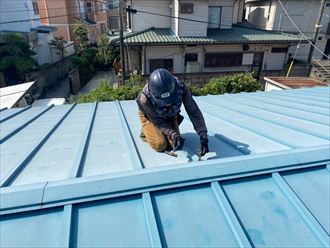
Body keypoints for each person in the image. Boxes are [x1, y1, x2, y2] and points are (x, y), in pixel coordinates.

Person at [136, 68, 209, 157]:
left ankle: (167, 127)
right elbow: (157, 121)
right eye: (164, 101)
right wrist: (173, 134)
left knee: (174, 144)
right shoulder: (144, 98)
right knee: (160, 144)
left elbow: (193, 111)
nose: (168, 103)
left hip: (170, 114)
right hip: (151, 117)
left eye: (170, 100)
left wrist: (203, 136)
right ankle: (146, 129)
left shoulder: (181, 88)